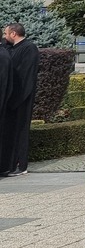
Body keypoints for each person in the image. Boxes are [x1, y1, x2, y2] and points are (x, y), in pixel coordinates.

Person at [0, 23, 40, 177]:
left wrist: (15, 99)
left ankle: (20, 164)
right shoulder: (11, 48)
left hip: (21, 100)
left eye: (6, 33)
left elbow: (25, 76)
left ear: (14, 34)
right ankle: (7, 164)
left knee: (20, 131)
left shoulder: (29, 48)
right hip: (11, 99)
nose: (4, 36)